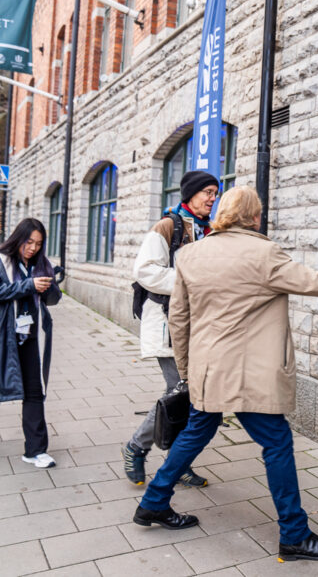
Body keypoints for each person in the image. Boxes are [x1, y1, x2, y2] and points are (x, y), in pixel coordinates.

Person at [133, 186, 318, 562]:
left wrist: (190, 372)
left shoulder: (190, 255)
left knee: (196, 432)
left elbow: (179, 319)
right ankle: (294, 535)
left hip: (209, 372)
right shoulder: (265, 254)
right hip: (249, 375)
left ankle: (153, 502)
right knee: (276, 444)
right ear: (254, 217)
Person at [121, 170, 218, 488]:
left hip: (197, 326)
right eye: (207, 192)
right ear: (190, 194)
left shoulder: (209, 231)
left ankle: (176, 463)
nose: (212, 198)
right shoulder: (167, 226)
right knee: (180, 391)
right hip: (167, 324)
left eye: (215, 193)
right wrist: (189, 279)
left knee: (190, 395)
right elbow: (145, 271)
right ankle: (137, 446)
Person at [0, 218, 61, 468]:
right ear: (18, 239)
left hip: (30, 335)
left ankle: (35, 450)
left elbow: (54, 300)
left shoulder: (41, 264)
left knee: (34, 392)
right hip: (0, 333)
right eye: (29, 242)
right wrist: (28, 285)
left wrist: (50, 286)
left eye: (38, 243)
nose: (33, 248)